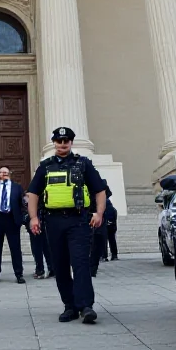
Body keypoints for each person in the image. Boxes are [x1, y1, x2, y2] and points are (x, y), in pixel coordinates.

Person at [26, 127, 106, 324]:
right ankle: (70, 306)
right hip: (53, 221)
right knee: (60, 266)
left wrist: (99, 213)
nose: (63, 144)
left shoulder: (83, 164)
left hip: (78, 220)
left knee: (80, 263)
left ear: (71, 143)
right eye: (59, 140)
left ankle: (86, 306)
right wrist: (33, 218)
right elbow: (33, 193)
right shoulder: (45, 166)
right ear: (54, 142)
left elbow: (100, 190)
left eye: (67, 141)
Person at [0, 166, 26, 284]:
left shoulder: (17, 187)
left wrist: (22, 219)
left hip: (12, 220)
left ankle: (19, 274)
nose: (4, 174)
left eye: (6, 172)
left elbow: (22, 204)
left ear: (9, 174)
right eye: (1, 172)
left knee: (15, 248)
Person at [24, 194, 54, 279]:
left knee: (39, 247)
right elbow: (24, 208)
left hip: (40, 223)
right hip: (38, 223)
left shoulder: (40, 194)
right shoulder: (29, 196)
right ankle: (49, 268)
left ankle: (41, 270)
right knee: (43, 246)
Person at [104, 190, 119, 261]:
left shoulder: (105, 204)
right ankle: (114, 255)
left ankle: (104, 256)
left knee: (104, 241)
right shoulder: (112, 207)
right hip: (111, 225)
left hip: (105, 225)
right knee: (112, 240)